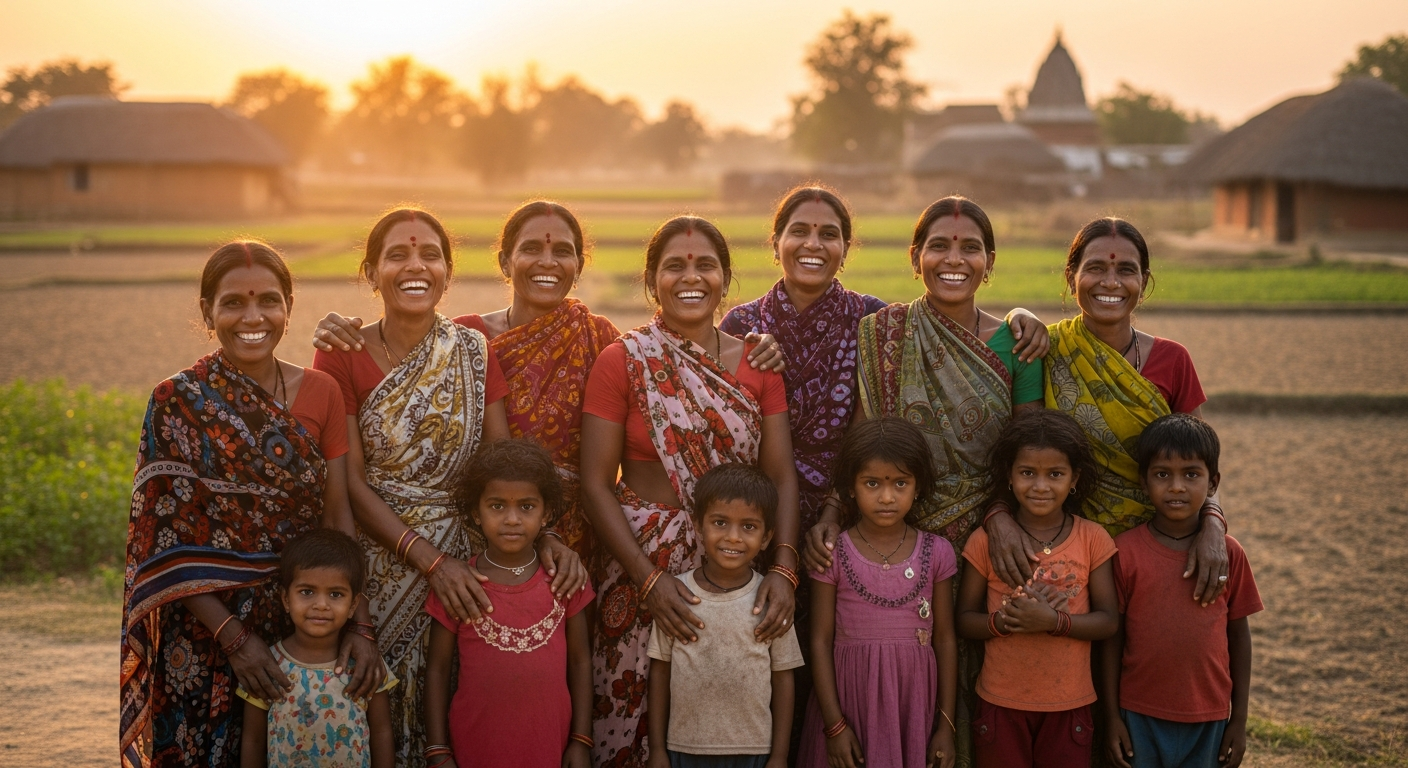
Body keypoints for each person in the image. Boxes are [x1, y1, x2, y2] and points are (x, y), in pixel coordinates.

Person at [313, 201, 783, 564]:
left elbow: (668, 378)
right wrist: (339, 327)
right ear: (504, 261)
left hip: (585, 533)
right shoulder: (466, 340)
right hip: (486, 528)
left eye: (562, 251)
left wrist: (759, 346)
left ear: (579, 264)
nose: (548, 262)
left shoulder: (602, 339)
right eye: (532, 249)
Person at [312, 207, 587, 766]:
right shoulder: (341, 354)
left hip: (469, 567)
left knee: (457, 705)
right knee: (381, 714)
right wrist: (433, 564)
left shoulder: (471, 350)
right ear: (370, 272)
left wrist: (546, 537)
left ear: (448, 271)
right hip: (383, 563)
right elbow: (349, 485)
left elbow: (501, 464)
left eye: (429, 255)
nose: (415, 267)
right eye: (397, 255)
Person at [802, 196, 1047, 763]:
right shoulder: (885, 333)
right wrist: (835, 514)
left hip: (995, 542)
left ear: (990, 260)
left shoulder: (1020, 343)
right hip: (898, 540)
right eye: (938, 245)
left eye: (969, 248)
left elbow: (1027, 453)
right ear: (916, 258)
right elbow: (865, 446)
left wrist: (1003, 520)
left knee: (981, 685)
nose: (953, 259)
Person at [121, 242, 382, 768]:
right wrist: (234, 638)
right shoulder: (177, 400)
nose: (253, 317)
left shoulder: (323, 391)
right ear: (206, 311)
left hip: (305, 616)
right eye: (233, 302)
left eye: (268, 300)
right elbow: (165, 540)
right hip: (203, 629)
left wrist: (359, 625)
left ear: (289, 306)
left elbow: (337, 517)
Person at [581, 216, 802, 768]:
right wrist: (647, 579)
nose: (691, 276)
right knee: (630, 719)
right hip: (638, 567)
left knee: (728, 709)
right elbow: (593, 482)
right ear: (652, 279)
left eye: (705, 265)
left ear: (726, 280)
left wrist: (783, 571)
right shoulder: (623, 361)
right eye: (674, 265)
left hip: (733, 566)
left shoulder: (757, 364)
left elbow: (781, 478)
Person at [983, 217, 1230, 608]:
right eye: (1096, 268)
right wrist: (1016, 313)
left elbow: (1199, 462)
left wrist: (1214, 525)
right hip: (1068, 549)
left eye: (1125, 270)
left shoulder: (1173, 360)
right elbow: (1017, 454)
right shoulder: (1043, 350)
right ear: (1071, 278)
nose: (1111, 282)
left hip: (1157, 546)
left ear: (1144, 283)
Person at [957, 410, 1119, 768]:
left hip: (1071, 703)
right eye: (1027, 473)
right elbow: (964, 620)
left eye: (1055, 474)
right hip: (1000, 703)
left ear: (1074, 478)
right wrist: (1004, 621)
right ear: (1010, 478)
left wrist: (1055, 621)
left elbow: (1109, 621)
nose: (1041, 486)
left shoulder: (1093, 539)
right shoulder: (986, 541)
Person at [796, 418, 958, 768]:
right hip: (848, 702)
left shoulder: (938, 552)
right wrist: (834, 726)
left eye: (901, 483)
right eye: (872, 483)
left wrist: (946, 726)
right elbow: (820, 641)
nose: (887, 497)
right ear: (850, 488)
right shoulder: (833, 552)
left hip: (912, 704)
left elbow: (944, 639)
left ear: (918, 486)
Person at [423, 439, 595, 768]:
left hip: (547, 744)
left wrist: (581, 740)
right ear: (476, 511)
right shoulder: (460, 585)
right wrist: (437, 749)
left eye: (526, 506)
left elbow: (581, 661)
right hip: (477, 745)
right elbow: (438, 669)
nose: (512, 519)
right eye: (497, 506)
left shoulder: (565, 579)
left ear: (545, 513)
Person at [1102, 414, 1261, 768]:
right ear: (1143, 482)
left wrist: (1239, 720)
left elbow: (1239, 636)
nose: (1176, 487)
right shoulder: (1124, 552)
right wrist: (1112, 716)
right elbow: (1113, 638)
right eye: (1162, 475)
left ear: (1213, 482)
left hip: (1209, 716)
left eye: (1191, 474)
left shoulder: (1229, 554)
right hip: (1138, 713)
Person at [646, 463, 803, 768]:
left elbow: (784, 678)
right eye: (720, 522)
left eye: (748, 526)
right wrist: (657, 749)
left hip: (752, 749)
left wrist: (780, 756)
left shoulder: (771, 600)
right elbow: (660, 672)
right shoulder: (677, 597)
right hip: (684, 747)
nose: (733, 537)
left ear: (767, 536)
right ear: (698, 526)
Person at [238, 529, 397, 768]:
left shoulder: (364, 664)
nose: (321, 605)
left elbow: (382, 732)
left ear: (353, 605)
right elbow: (253, 739)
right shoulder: (266, 665)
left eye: (335, 594)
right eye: (307, 592)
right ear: (285, 599)